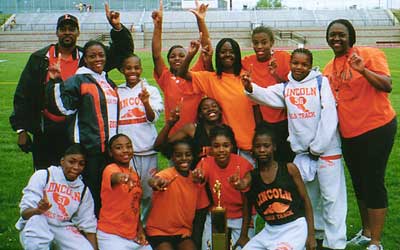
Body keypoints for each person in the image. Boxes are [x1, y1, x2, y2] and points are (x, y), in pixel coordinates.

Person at [242, 48, 347, 249]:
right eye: (295, 63)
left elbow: (329, 116)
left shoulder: (320, 82)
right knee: (310, 196)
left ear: (310, 65)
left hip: (326, 151)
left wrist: (318, 147)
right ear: (290, 64)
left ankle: (336, 243)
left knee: (332, 198)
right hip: (303, 154)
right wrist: (250, 87)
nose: (300, 67)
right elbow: (267, 95)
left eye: (304, 64)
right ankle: (315, 236)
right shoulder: (287, 86)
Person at [9, 4, 134, 170]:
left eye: (71, 29)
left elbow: (123, 52)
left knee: (75, 175)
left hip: (76, 130)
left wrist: (117, 27)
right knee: (46, 175)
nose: (67, 32)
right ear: (57, 32)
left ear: (78, 32)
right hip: (46, 129)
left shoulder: (88, 58)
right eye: (63, 29)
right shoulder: (40, 58)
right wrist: (21, 130)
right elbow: (24, 93)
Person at [323, 19, 397, 250]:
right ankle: (366, 233)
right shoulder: (329, 68)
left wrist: (362, 70)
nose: (336, 39)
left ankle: (376, 241)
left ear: (350, 36)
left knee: (373, 181)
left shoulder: (368, 54)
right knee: (359, 183)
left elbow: (387, 85)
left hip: (376, 128)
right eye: (332, 35)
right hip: (349, 133)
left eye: (341, 35)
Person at [45, 40, 120, 217]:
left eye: (101, 55)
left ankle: (103, 233)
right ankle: (84, 235)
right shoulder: (79, 80)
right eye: (92, 56)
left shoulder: (108, 81)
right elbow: (62, 107)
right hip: (89, 150)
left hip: (108, 151)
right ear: (85, 59)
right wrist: (55, 81)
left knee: (106, 194)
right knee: (89, 197)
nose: (97, 59)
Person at [230, 125, 316, 250]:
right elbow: (245, 193)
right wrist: (238, 183)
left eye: (266, 146)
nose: (262, 150)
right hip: (270, 229)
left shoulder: (289, 169)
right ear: (252, 149)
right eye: (258, 146)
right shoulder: (253, 176)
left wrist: (311, 234)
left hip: (295, 227)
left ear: (274, 147)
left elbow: (305, 200)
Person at [178, 38, 256, 163]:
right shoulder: (210, 79)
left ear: (237, 54)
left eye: (231, 51)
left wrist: (257, 140)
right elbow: (182, 73)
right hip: (225, 148)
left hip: (248, 146)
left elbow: (256, 109)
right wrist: (191, 54)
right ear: (218, 55)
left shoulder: (246, 77)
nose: (227, 55)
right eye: (223, 51)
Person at [15, 144, 97, 250]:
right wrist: (38, 210)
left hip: (61, 226)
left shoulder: (83, 190)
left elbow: (88, 224)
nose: (76, 167)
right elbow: (25, 214)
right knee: (36, 226)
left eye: (81, 164)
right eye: (71, 162)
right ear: (62, 161)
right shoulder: (44, 175)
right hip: (38, 221)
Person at [152, 0, 211, 136]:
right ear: (168, 60)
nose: (177, 58)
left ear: (187, 57)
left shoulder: (196, 74)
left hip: (196, 136)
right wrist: (158, 26)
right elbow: (156, 55)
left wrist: (201, 21)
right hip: (174, 137)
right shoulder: (166, 78)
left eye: (181, 55)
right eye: (173, 56)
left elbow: (207, 48)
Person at [117, 54, 164, 224]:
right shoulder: (117, 92)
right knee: (128, 193)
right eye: (128, 68)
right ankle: (128, 227)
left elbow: (152, 119)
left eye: (136, 67)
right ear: (122, 70)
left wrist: (145, 102)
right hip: (126, 154)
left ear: (141, 69)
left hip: (147, 150)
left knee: (149, 194)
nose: (132, 71)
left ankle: (145, 228)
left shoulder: (150, 90)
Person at [192, 125, 254, 249]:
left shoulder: (242, 165)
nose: (221, 150)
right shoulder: (206, 162)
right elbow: (200, 175)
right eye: (216, 146)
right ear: (211, 147)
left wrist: (244, 234)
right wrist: (198, 176)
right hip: (216, 215)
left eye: (225, 145)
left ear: (232, 146)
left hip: (241, 217)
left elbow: (248, 201)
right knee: (210, 247)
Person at [241, 25, 294, 163]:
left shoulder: (283, 58)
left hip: (285, 120)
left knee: (286, 160)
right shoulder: (248, 62)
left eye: (264, 42)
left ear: (271, 43)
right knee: (266, 161)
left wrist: (276, 75)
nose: (259, 46)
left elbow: (292, 88)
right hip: (263, 121)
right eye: (256, 43)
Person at [146, 140, 209, 250]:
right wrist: (156, 183)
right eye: (178, 155)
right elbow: (154, 180)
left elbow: (200, 210)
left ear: (193, 156)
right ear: (172, 158)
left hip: (182, 231)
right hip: (159, 231)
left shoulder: (195, 179)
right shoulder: (167, 174)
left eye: (188, 154)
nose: (184, 158)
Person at [97, 134, 149, 250]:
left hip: (133, 236)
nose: (125, 150)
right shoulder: (110, 168)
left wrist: (140, 230)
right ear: (111, 152)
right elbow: (115, 176)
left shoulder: (135, 175)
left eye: (128, 146)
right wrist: (123, 178)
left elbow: (135, 206)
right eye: (119, 147)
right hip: (111, 235)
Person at [154, 97, 223, 169]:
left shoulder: (226, 131)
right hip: (194, 175)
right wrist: (170, 124)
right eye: (205, 108)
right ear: (200, 114)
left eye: (214, 106)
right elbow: (158, 146)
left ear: (220, 111)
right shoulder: (191, 129)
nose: (211, 109)